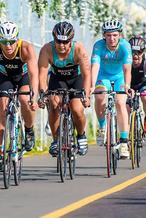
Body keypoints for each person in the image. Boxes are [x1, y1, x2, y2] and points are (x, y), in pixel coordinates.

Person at [0, 21, 39, 172]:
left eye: (11, 41)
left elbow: (34, 74)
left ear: (17, 39)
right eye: (4, 42)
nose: (8, 45)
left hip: (23, 76)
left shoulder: (26, 48)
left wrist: (34, 96)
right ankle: (0, 154)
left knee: (24, 99)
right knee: (2, 109)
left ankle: (29, 129)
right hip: (5, 77)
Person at [38, 21, 91, 157]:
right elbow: (42, 76)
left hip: (76, 79)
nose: (62, 45)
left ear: (71, 40)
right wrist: (42, 95)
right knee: (54, 104)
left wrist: (86, 96)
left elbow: (86, 75)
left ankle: (81, 136)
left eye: (65, 42)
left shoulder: (79, 49)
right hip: (58, 79)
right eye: (58, 41)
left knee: (77, 109)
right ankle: (56, 140)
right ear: (54, 39)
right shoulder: (47, 49)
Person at [91, 19, 133, 159]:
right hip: (103, 77)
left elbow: (127, 69)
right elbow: (95, 66)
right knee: (99, 95)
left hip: (120, 77)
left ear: (119, 35)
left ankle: (124, 142)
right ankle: (102, 127)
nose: (111, 38)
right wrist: (91, 85)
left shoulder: (125, 46)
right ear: (104, 36)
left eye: (114, 35)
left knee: (120, 103)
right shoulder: (98, 46)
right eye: (108, 35)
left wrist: (127, 85)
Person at [128, 35, 146, 134]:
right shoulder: (125, 58)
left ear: (143, 52)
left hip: (142, 83)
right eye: (132, 52)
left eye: (139, 52)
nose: (135, 55)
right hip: (128, 84)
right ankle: (125, 134)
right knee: (126, 107)